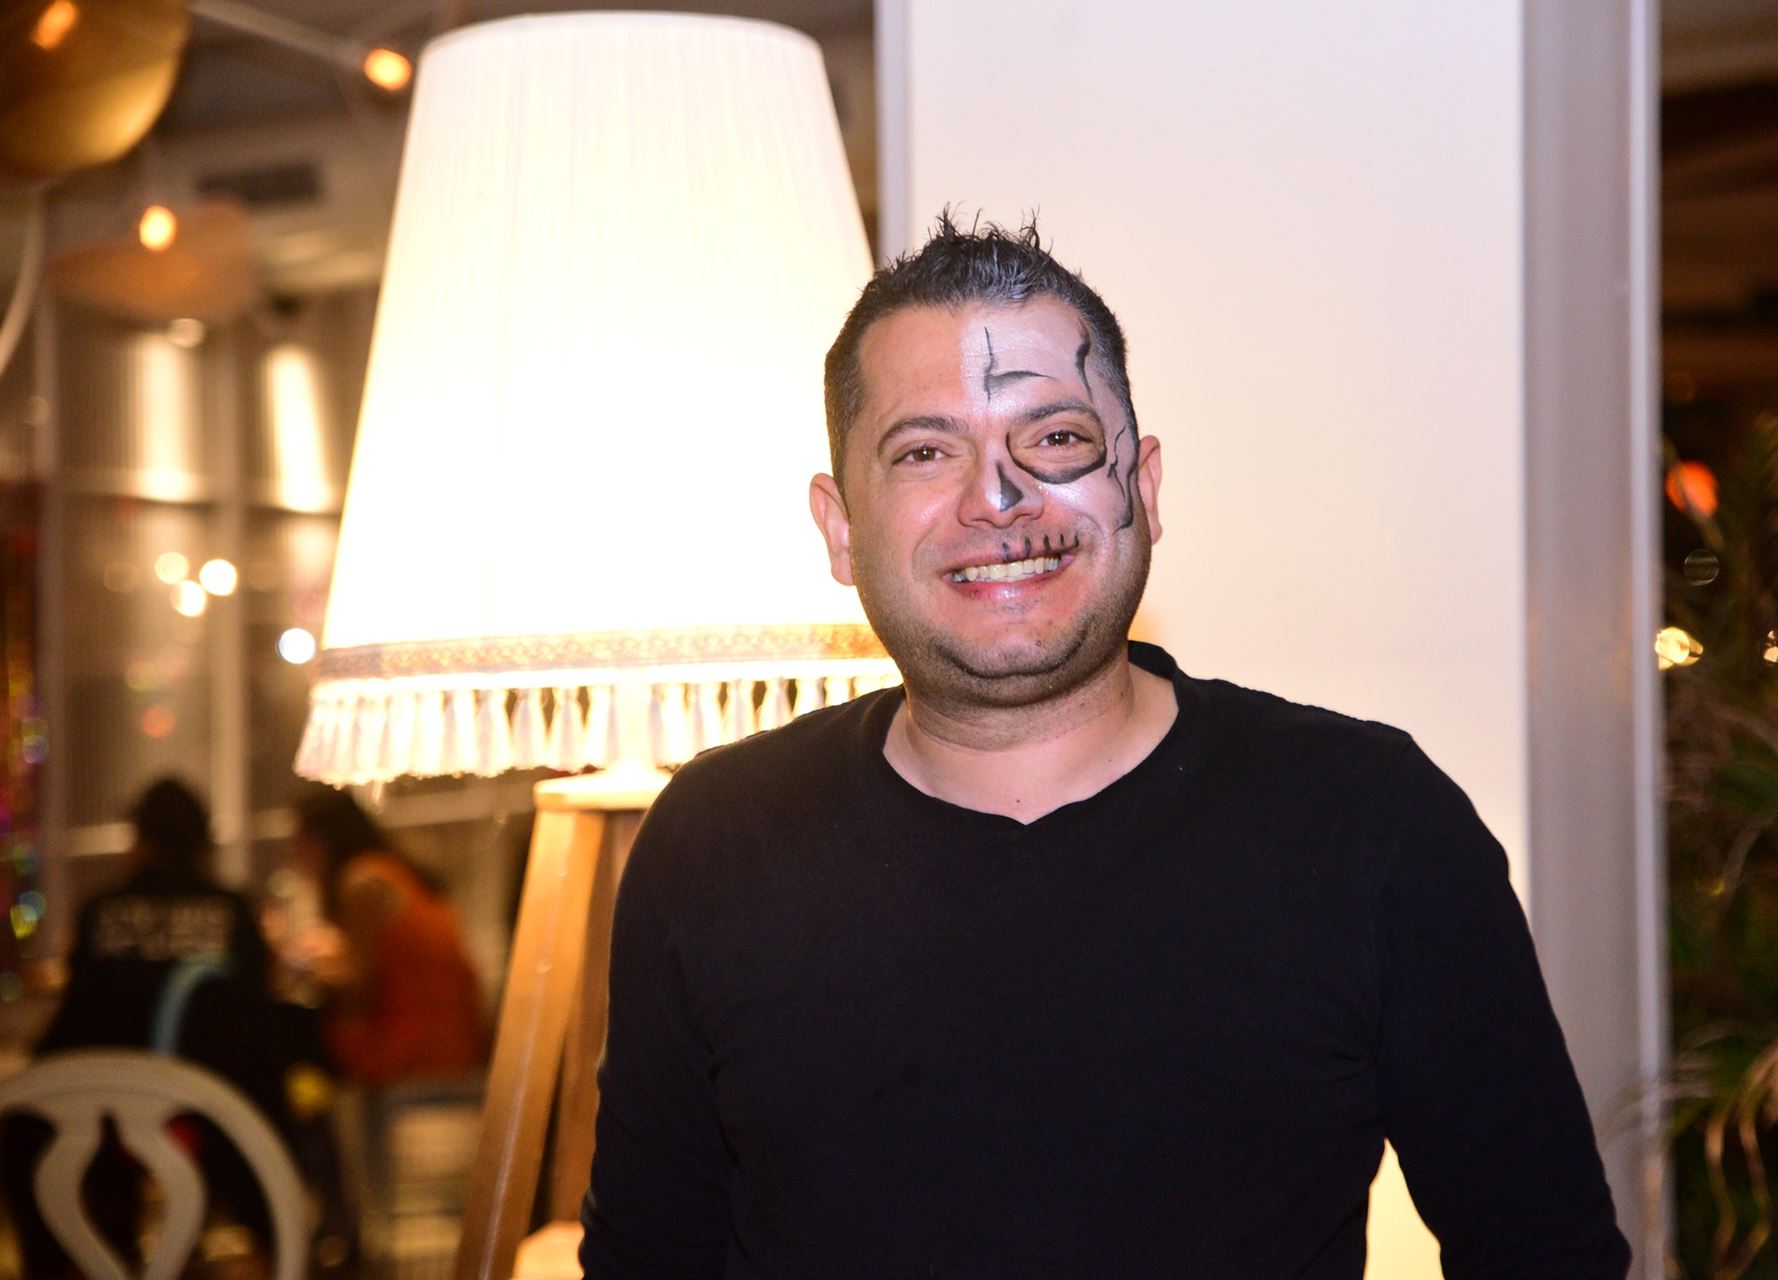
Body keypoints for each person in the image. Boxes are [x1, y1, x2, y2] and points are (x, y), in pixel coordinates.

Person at [580, 215, 1631, 1277]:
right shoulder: (714, 843)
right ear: (841, 526)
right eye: (927, 451)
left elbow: (1548, 1258)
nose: (999, 500)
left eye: (1055, 438)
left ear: (1145, 487)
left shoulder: (1375, 826)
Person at [9, 778, 284, 1273]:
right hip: (225, 1114)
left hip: (103, 1112)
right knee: (272, 1115)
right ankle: (282, 1245)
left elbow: (78, 1017)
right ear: (203, 844)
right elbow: (259, 1010)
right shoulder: (232, 910)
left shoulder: (101, 909)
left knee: (26, 1133)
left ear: (140, 842)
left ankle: (93, 1258)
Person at [288, 790, 487, 1085]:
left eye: (298, 846)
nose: (294, 859)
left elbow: (357, 986)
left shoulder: (363, 881)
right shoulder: (395, 871)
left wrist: (306, 967)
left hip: (415, 1052)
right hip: (458, 1043)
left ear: (320, 843)